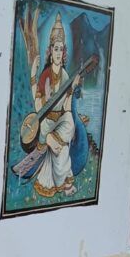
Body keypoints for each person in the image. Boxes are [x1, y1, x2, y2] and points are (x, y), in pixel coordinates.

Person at [28, 13, 81, 199]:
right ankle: (66, 184)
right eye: (55, 49)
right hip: (47, 122)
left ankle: (53, 139)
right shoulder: (46, 75)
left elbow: (67, 107)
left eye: (61, 49)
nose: (58, 52)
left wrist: (72, 89)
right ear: (51, 51)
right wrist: (34, 78)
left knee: (69, 122)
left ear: (63, 52)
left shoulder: (65, 75)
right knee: (62, 150)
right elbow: (39, 107)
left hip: (60, 123)